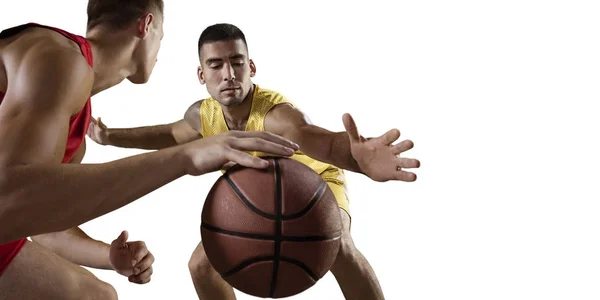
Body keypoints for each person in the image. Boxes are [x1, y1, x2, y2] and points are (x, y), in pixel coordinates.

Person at [88, 23, 420, 300]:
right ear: (202, 75)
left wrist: (358, 160)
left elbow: (323, 142)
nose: (228, 73)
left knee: (340, 247)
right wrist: (111, 135)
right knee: (200, 265)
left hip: (314, 183)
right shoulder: (202, 115)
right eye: (216, 65)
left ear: (251, 67)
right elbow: (171, 136)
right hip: (263, 193)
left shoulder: (277, 117)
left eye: (236, 62)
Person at [0, 3, 300, 300]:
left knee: (99, 296)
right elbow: (10, 198)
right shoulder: (59, 58)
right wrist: (186, 156)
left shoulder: (69, 121)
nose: (158, 53)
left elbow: (40, 223)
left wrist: (110, 256)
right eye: (162, 35)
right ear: (146, 25)